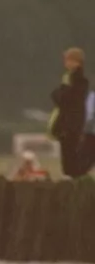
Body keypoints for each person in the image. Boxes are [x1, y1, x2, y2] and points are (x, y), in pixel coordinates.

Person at [49, 47, 91, 179]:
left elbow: (65, 99)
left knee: (70, 161)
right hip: (69, 125)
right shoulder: (69, 79)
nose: (65, 63)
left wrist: (58, 93)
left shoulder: (79, 80)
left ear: (76, 62)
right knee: (69, 160)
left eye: (67, 60)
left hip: (70, 126)